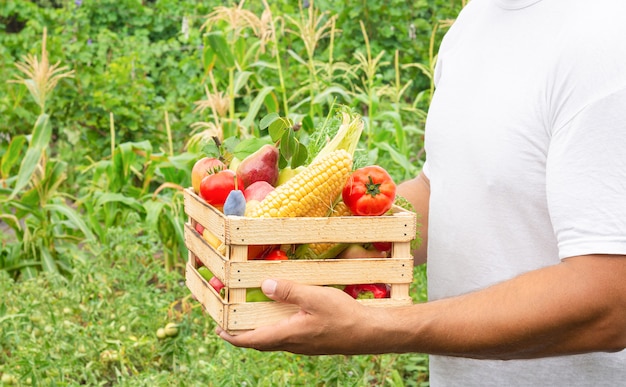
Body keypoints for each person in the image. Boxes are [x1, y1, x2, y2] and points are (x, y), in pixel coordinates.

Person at [216, 0, 626, 385]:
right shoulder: (476, 20)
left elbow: (610, 303)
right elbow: (444, 192)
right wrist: (313, 250)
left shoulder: (603, 39)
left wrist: (380, 327)